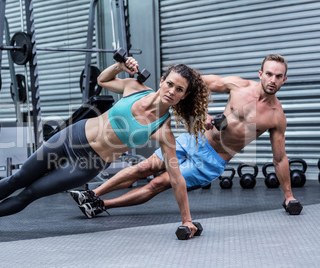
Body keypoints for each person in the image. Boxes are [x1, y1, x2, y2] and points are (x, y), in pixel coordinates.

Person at [0, 57, 209, 236]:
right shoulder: (134, 87)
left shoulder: (162, 130)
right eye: (170, 83)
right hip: (71, 137)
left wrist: (187, 219)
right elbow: (102, 81)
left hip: (86, 165)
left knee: (31, 193)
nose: (172, 91)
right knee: (18, 177)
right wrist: (119, 67)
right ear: (162, 81)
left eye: (179, 89)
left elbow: (176, 177)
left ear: (184, 96)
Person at [70, 54, 302, 222]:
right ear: (260, 74)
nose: (272, 79)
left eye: (278, 76)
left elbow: (280, 159)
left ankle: (100, 205)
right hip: (195, 139)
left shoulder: (276, 117)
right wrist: (202, 113)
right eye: (269, 73)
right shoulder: (237, 86)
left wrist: (289, 197)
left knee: (158, 183)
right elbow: (191, 82)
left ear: (284, 80)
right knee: (146, 166)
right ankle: (91, 194)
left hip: (212, 160)